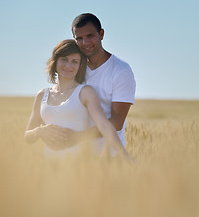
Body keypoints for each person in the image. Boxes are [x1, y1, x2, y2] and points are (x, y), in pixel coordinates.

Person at [24, 39, 131, 159]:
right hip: (49, 167)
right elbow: (27, 137)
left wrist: (124, 155)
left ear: (80, 66)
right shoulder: (42, 95)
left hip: (80, 166)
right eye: (64, 59)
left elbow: (104, 126)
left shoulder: (85, 92)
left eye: (74, 61)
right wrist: (40, 131)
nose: (69, 65)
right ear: (55, 62)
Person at [55, 13, 136, 154]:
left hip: (109, 155)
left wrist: (77, 137)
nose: (85, 43)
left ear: (101, 34)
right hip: (76, 156)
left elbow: (117, 122)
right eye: (79, 38)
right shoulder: (73, 68)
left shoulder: (121, 70)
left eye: (90, 36)